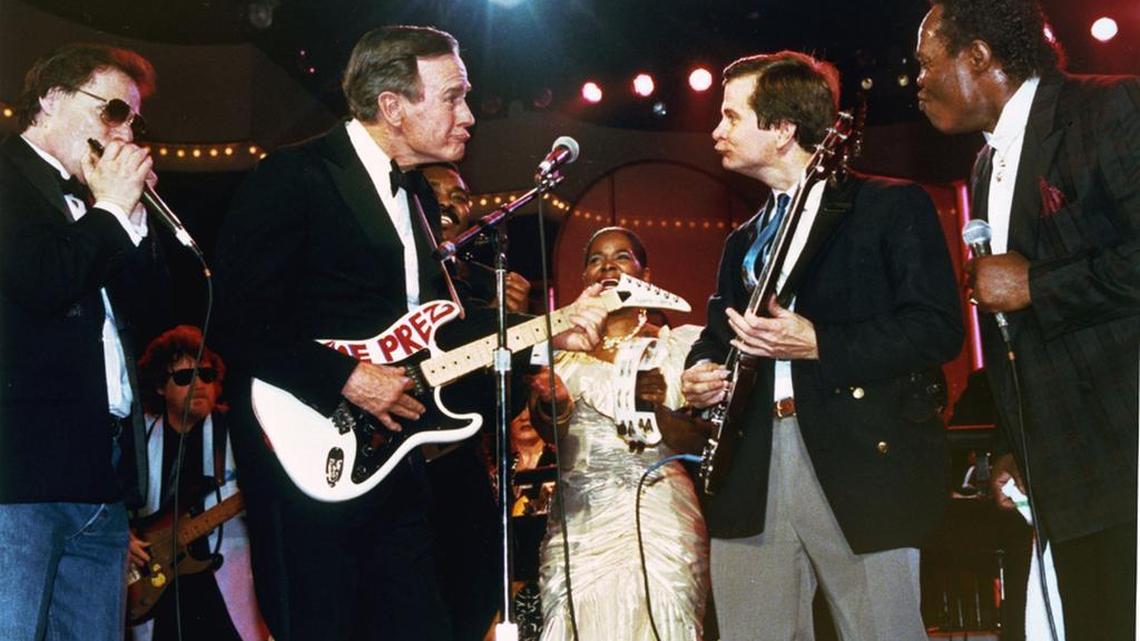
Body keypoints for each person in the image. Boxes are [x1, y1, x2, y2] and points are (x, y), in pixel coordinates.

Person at [211, 25, 605, 641]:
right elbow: (232, 316)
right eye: (452, 97)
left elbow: (436, 327)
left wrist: (550, 330)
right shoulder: (295, 176)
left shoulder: (415, 192)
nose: (470, 116)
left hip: (395, 461)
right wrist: (347, 379)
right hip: (306, 458)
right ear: (391, 107)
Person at [680, 51, 963, 640]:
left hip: (858, 459)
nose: (716, 132)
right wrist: (699, 373)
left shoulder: (888, 206)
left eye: (731, 117)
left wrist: (820, 343)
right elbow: (714, 336)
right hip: (751, 467)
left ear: (783, 131)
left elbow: (937, 328)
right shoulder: (742, 241)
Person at [915, 1, 1139, 638]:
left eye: (927, 64)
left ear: (980, 57)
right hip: (1066, 473)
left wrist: (1038, 283)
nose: (918, 82)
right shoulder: (986, 165)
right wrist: (1020, 443)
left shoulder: (1109, 108)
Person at [0, 43, 169, 641]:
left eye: (134, 120)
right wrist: (113, 209)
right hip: (18, 478)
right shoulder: (8, 179)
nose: (124, 132)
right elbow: (42, 282)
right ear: (51, 100)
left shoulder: (94, 204)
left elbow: (135, 321)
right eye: (112, 111)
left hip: (97, 474)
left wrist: (131, 220)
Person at [531, 227, 710, 641]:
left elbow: (702, 439)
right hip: (583, 514)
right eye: (595, 259)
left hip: (660, 510)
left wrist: (658, 410)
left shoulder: (681, 346)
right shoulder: (557, 349)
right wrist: (553, 403)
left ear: (645, 275)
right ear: (584, 278)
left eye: (622, 256)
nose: (607, 265)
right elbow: (545, 430)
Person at [126, 325, 268, 641]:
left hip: (222, 579)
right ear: (160, 387)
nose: (199, 385)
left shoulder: (237, 431)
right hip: (155, 588)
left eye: (206, 375)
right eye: (183, 377)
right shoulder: (140, 437)